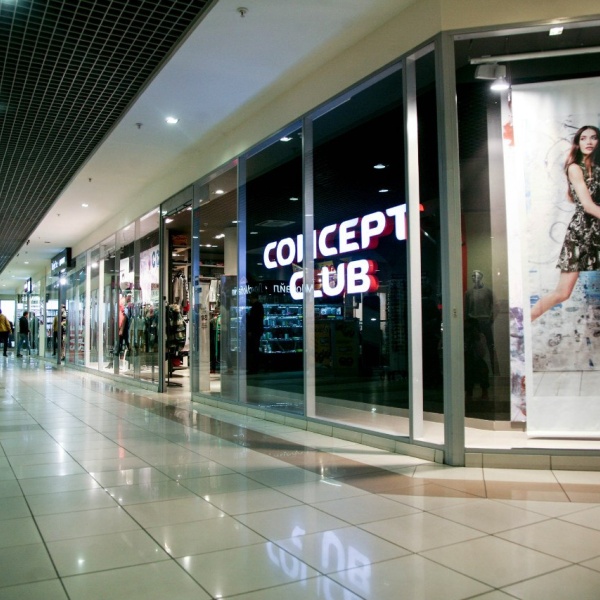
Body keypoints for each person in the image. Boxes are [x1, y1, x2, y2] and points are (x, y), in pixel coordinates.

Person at [531, 125, 600, 320]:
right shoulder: (575, 168)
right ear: (577, 143)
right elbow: (588, 206)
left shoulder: (598, 169)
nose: (588, 142)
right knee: (562, 293)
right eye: (583, 138)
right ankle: (523, 323)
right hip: (582, 231)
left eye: (593, 137)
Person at [465, 270, 496, 365]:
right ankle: (474, 368)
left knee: (490, 345)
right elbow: (466, 308)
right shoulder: (469, 292)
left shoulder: (488, 291)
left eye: (476, 276)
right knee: (473, 345)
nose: (474, 278)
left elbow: (495, 306)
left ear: (481, 277)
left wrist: (491, 319)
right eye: (473, 276)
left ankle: (493, 367)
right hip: (473, 322)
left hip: (485, 321)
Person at [246, 291, 264, 374]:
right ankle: (255, 367)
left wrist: (250, 330)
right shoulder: (260, 306)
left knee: (253, 350)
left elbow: (253, 320)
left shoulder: (255, 307)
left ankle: (253, 368)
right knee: (255, 349)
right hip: (258, 331)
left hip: (254, 331)